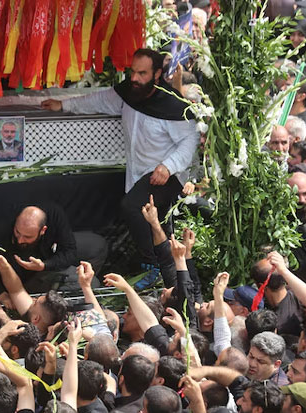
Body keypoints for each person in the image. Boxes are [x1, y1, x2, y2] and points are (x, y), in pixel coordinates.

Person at [41, 48, 199, 290]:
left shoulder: (172, 105)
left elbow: (190, 141)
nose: (134, 79)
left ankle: (156, 265)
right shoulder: (129, 92)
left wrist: (168, 166)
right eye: (132, 72)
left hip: (168, 175)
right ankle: (168, 273)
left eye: (142, 73)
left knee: (132, 207)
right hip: (139, 172)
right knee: (154, 221)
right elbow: (99, 100)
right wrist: (63, 105)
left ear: (157, 74)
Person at [0, 203, 78, 299]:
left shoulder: (54, 215)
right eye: (17, 232)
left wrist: (44, 265)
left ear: (43, 230)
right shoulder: (0, 226)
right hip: (7, 283)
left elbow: (70, 251)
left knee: (93, 249)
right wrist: (0, 294)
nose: (20, 240)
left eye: (27, 237)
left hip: (42, 270)